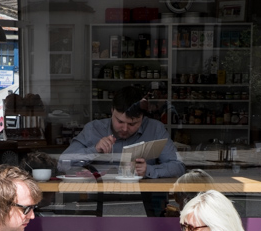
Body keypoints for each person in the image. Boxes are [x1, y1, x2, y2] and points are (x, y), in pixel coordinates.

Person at [59, 86, 186, 216]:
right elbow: (63, 163)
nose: (125, 128)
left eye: (132, 124)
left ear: (142, 117)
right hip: (98, 203)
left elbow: (178, 167)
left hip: (146, 204)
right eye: (120, 121)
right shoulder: (94, 129)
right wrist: (94, 150)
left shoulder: (155, 129)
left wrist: (148, 170)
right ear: (112, 110)